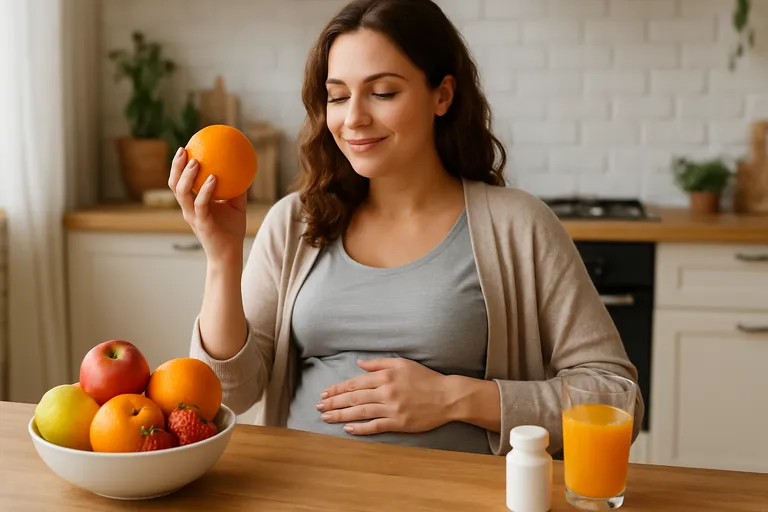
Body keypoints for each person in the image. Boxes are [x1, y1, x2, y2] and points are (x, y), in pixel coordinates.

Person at [169, 0, 644, 457]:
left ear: (442, 95)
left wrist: (458, 398)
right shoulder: (296, 222)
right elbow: (230, 393)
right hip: (303, 492)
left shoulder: (518, 226)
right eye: (337, 96)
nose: (353, 118)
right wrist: (223, 256)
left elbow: (618, 400)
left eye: (383, 92)